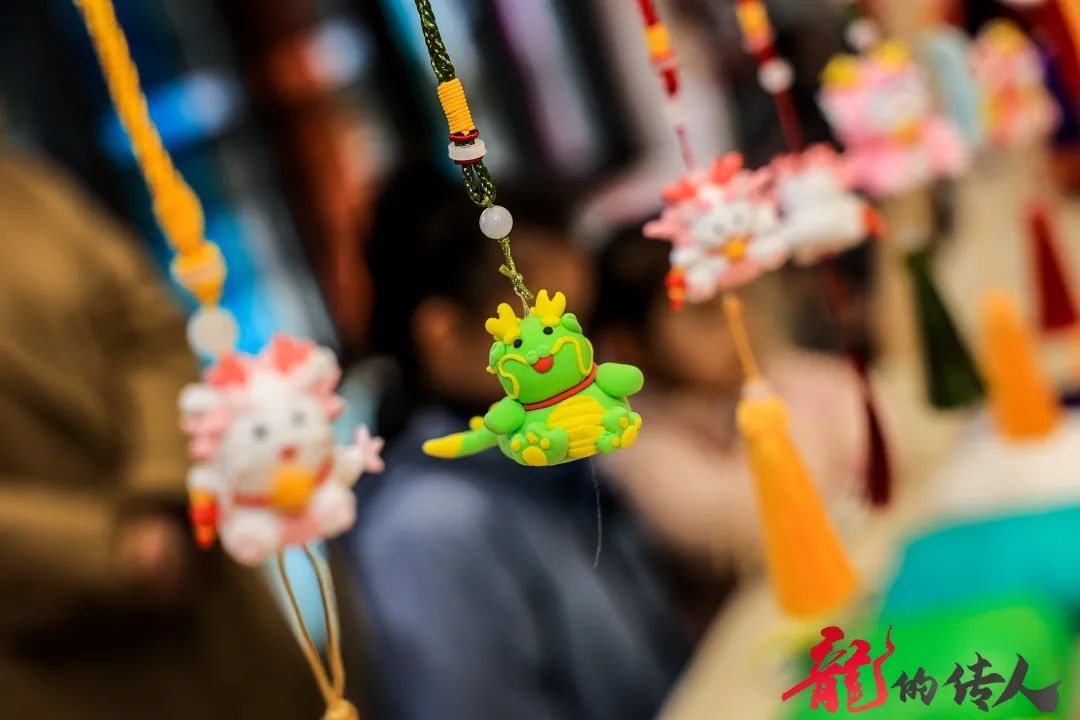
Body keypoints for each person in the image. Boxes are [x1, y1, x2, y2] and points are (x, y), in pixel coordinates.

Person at [348, 171, 690, 720]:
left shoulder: (546, 448)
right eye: (553, 339)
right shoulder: (425, 529)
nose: (587, 360)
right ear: (442, 336)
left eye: (583, 327)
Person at [0, 154, 322, 718]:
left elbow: (148, 328)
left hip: (209, 604)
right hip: (64, 663)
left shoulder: (26, 190)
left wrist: (158, 493)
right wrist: (109, 553)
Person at [592, 229, 866, 630]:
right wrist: (795, 421)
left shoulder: (752, 376)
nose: (741, 325)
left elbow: (878, 421)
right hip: (766, 631)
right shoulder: (629, 440)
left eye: (736, 301)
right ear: (629, 346)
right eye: (705, 315)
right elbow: (754, 528)